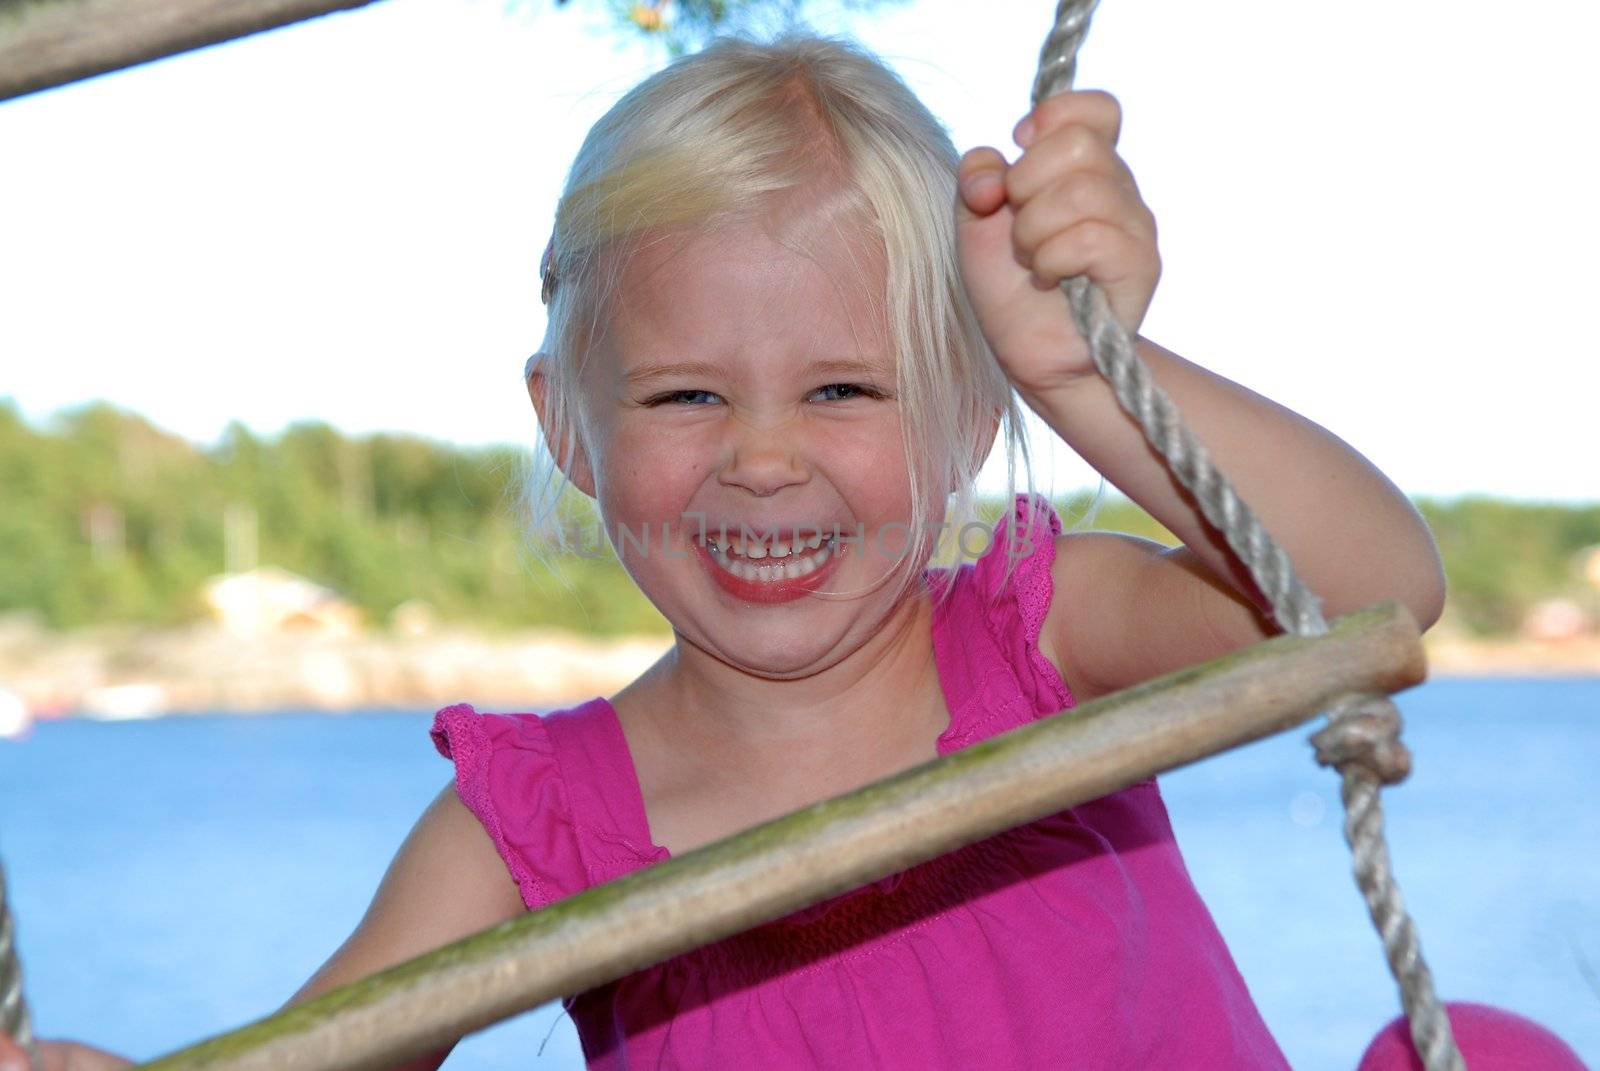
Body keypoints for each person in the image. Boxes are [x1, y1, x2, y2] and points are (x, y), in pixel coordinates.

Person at [11, 27, 1540, 1071]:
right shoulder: (534, 824)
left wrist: (1077, 372)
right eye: (685, 395)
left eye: (842, 389)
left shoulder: (1037, 633)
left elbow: (1365, 600)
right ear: (570, 429)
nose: (761, 455)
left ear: (957, 415)